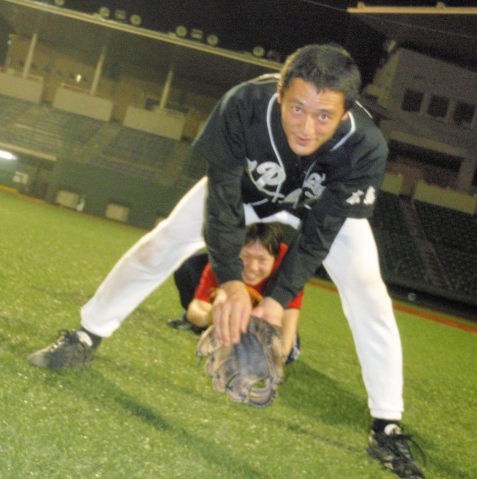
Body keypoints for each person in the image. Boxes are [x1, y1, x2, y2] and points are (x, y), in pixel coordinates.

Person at [28, 44, 424, 478]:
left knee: (369, 293)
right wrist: (232, 282)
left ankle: (386, 425)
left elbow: (319, 237)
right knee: (161, 244)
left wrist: (276, 300)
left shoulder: (364, 145)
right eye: (296, 108)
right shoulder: (244, 104)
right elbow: (221, 202)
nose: (307, 126)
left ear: (346, 112)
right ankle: (86, 336)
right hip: (245, 196)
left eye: (324, 116)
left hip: (318, 212)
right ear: (279, 94)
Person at [168, 223, 302, 364]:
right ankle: (216, 328)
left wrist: (275, 356)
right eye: (246, 256)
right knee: (189, 264)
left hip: (267, 322)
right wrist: (218, 316)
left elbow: (289, 321)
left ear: (275, 258)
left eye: (262, 260)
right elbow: (195, 310)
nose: (253, 267)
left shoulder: (289, 267)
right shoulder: (224, 258)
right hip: (229, 307)